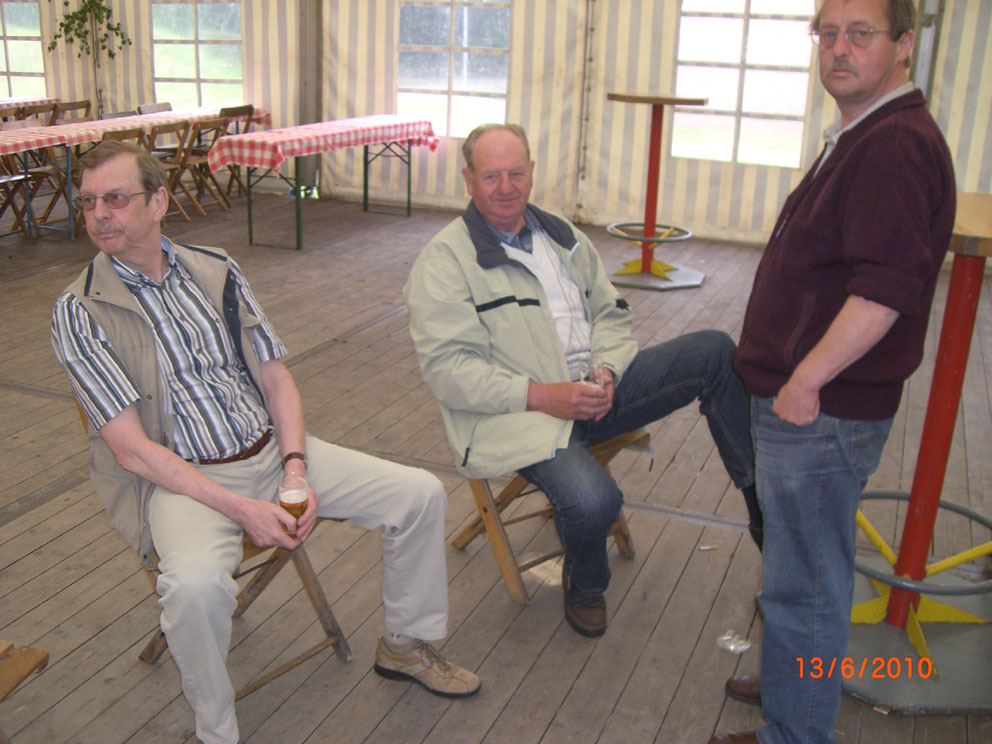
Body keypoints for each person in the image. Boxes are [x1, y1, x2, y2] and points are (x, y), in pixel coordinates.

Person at [51, 141, 480, 744]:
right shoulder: (79, 311)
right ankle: (216, 730)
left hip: (272, 452)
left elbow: (276, 378)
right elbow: (131, 451)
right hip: (185, 482)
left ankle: (405, 645)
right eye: (89, 201)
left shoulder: (215, 269)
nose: (99, 214)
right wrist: (242, 508)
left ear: (159, 202)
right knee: (193, 588)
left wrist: (295, 468)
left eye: (116, 199)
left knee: (420, 494)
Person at [403, 123, 757, 638]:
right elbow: (448, 371)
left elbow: (610, 314)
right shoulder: (445, 261)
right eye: (491, 176)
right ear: (468, 179)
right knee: (593, 502)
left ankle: (762, 508)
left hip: (594, 393)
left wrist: (606, 370)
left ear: (532, 171)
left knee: (715, 351)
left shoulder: (562, 236)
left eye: (516, 173)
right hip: (522, 416)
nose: (506, 187)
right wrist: (546, 396)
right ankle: (587, 583)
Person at [710, 0, 956, 742]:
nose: (839, 49)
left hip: (822, 412)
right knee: (800, 580)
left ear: (904, 44)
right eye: (828, 33)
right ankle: (793, 698)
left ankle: (796, 731)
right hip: (820, 407)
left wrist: (806, 379)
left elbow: (885, 291)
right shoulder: (866, 132)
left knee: (806, 592)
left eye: (861, 34)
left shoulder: (892, 145)